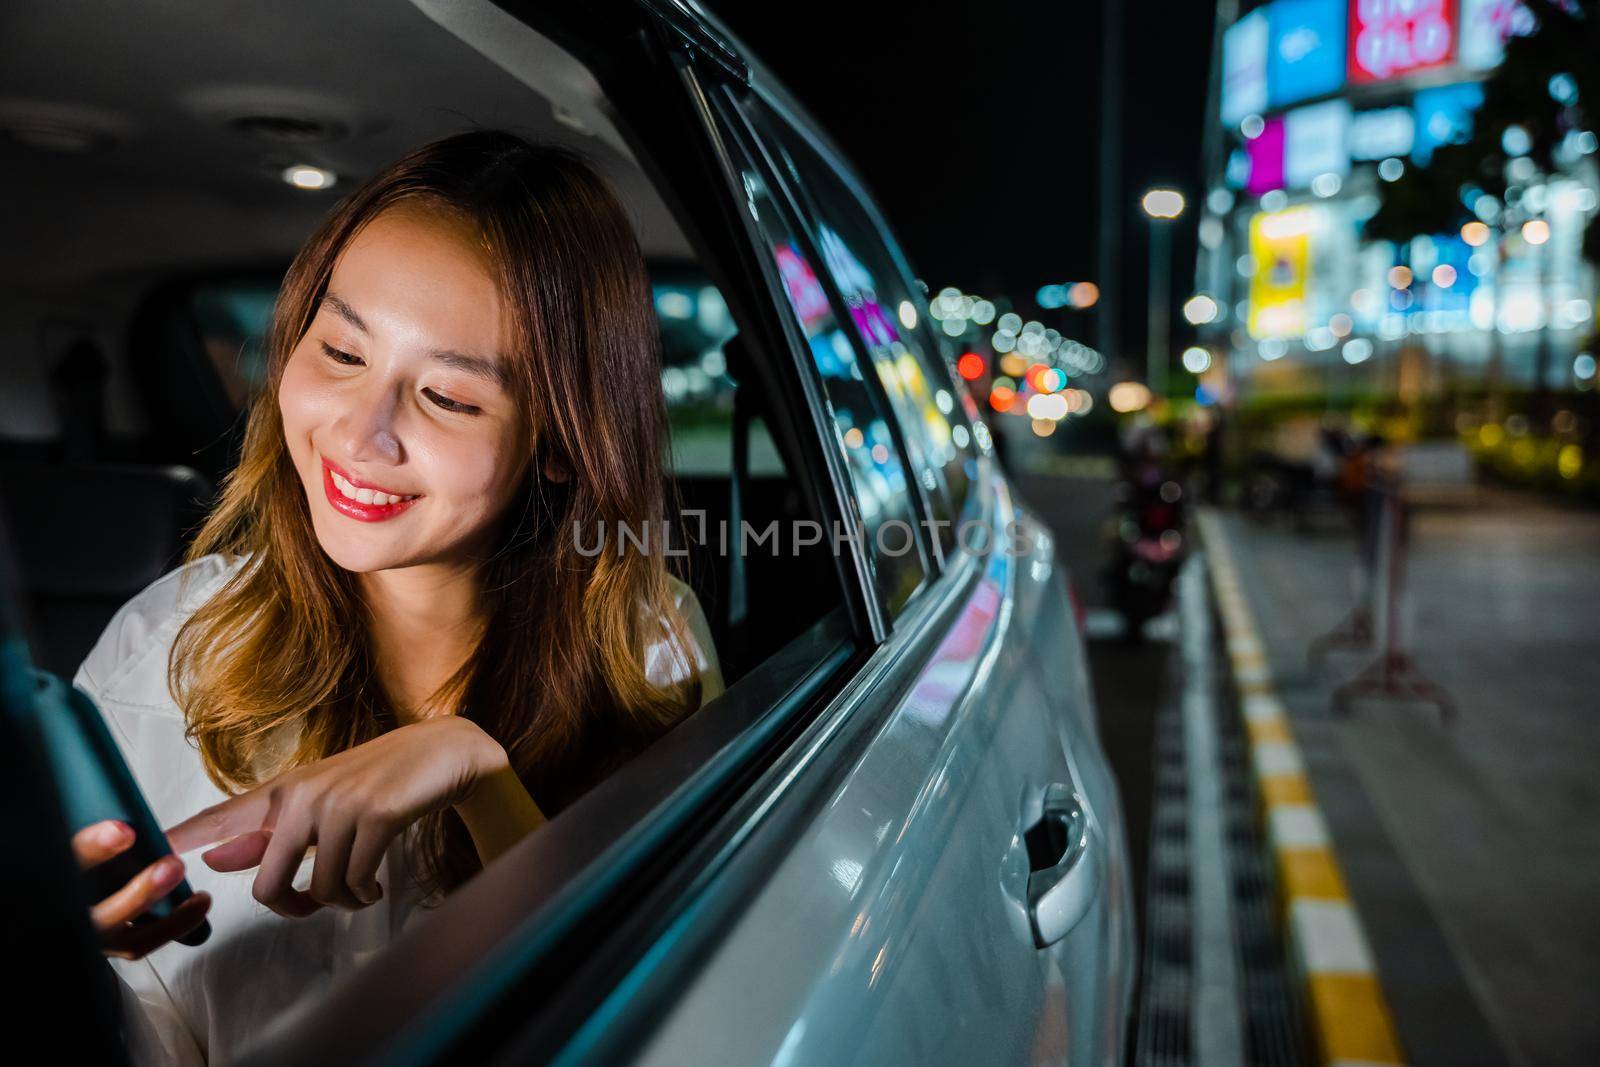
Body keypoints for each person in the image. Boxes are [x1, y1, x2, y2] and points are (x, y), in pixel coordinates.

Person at [67, 130, 725, 1066]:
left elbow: (658, 1004)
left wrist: (476, 774)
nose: (362, 435)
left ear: (558, 441)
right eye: (339, 351)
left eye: (450, 398)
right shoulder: (166, 647)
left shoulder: (649, 642)